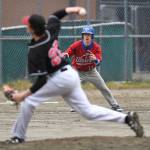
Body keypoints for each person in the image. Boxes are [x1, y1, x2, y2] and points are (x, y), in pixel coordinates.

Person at [6, 7, 144, 144]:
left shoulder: (35, 51)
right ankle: (127, 118)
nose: (26, 26)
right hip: (71, 74)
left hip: (60, 79)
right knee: (87, 111)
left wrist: (21, 95)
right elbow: (56, 15)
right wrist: (76, 9)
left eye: (27, 24)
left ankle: (18, 136)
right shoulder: (50, 31)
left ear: (31, 29)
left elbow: (41, 81)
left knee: (29, 101)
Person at [64, 25, 123, 112]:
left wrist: (95, 59)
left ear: (92, 37)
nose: (87, 37)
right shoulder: (77, 45)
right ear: (82, 36)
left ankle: (114, 105)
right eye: (85, 35)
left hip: (91, 72)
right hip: (78, 71)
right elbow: (68, 52)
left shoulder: (96, 47)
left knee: (103, 87)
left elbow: (98, 61)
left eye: (89, 35)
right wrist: (64, 55)